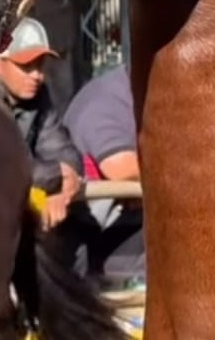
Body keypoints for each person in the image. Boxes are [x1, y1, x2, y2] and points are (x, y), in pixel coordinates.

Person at [0, 17, 83, 232]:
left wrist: (61, 191)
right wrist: (57, 174)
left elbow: (62, 149)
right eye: (26, 66)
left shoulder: (39, 96)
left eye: (40, 65)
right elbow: (1, 168)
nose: (37, 75)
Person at [62, 63, 145, 288]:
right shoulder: (106, 103)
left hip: (120, 223)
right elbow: (122, 169)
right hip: (98, 238)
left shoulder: (138, 93)